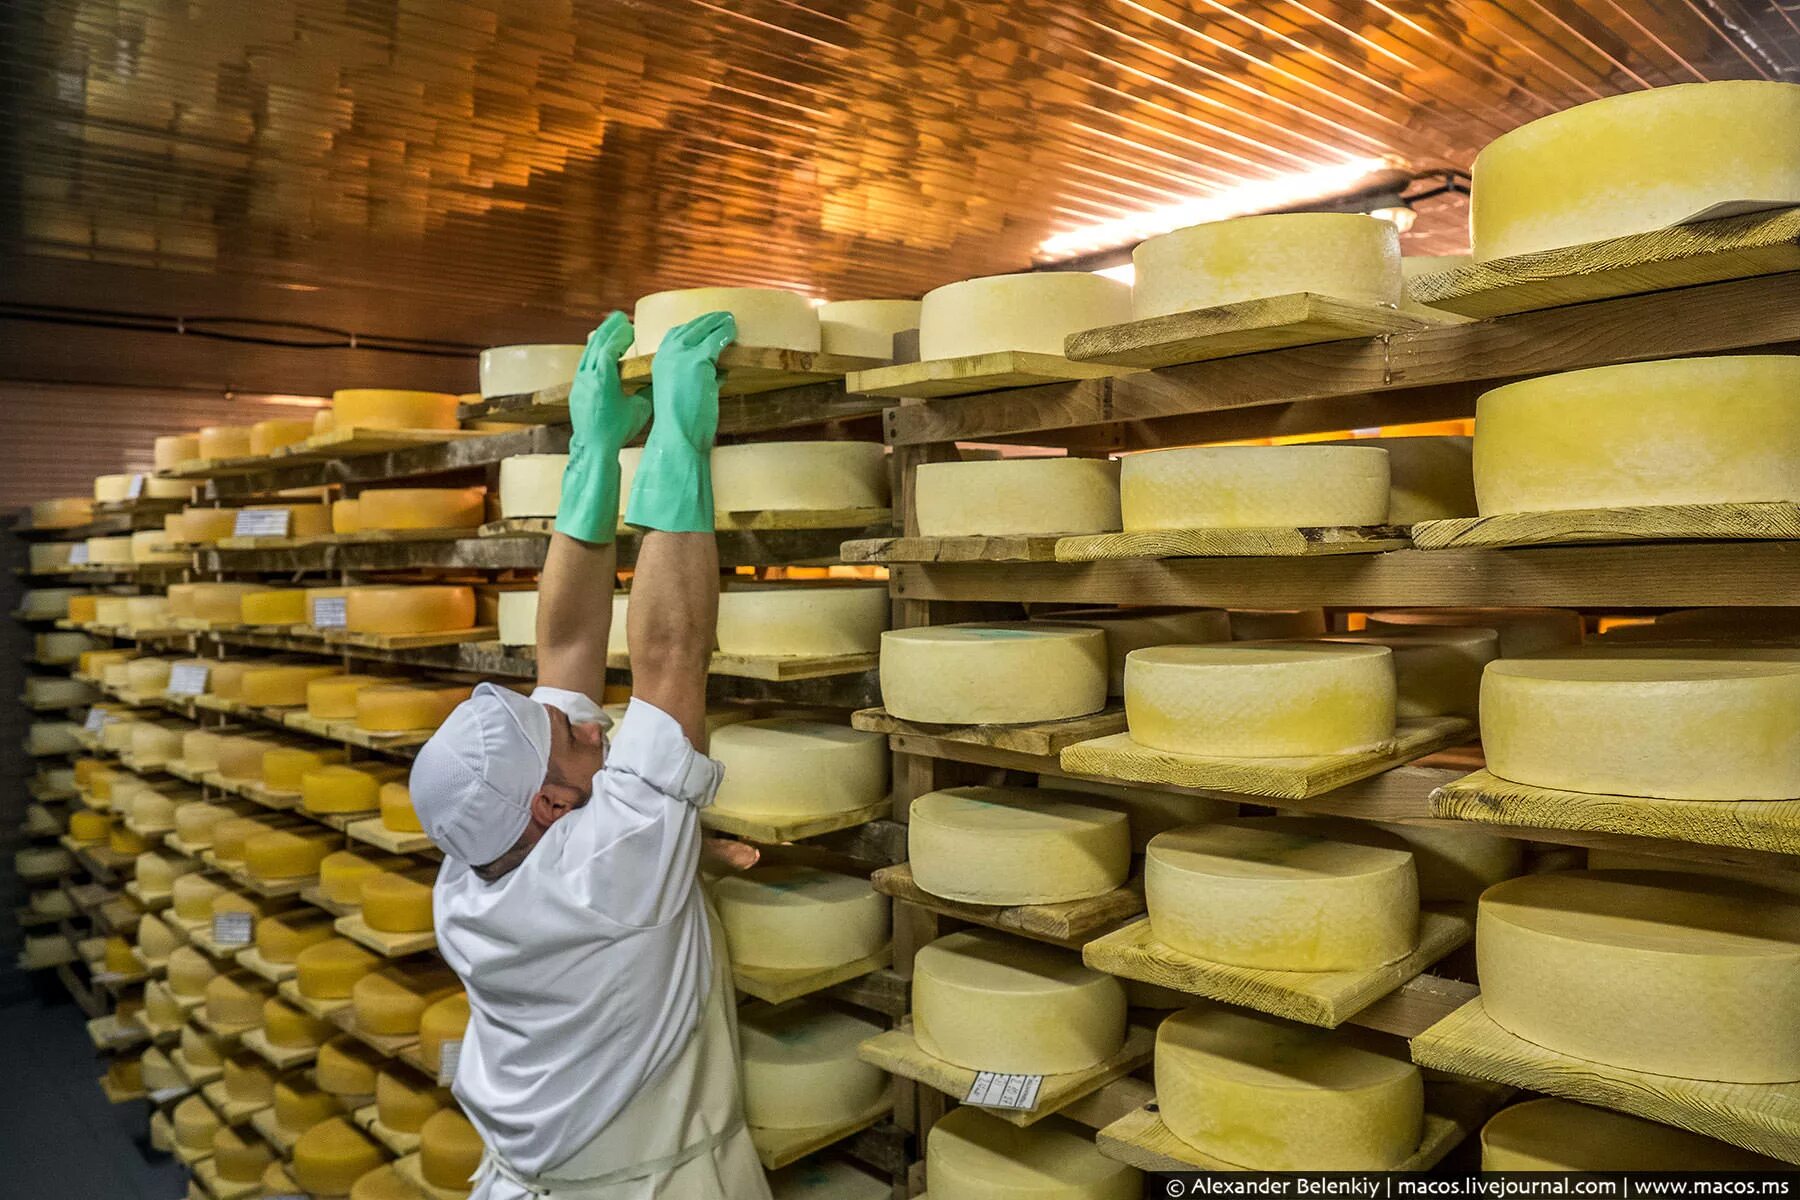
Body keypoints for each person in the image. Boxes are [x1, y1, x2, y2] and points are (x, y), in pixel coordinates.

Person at [410, 309, 773, 1200]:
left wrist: (593, 463)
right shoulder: (609, 867)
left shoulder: (470, 877)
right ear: (548, 806)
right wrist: (677, 455)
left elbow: (566, 652)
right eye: (569, 737)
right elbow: (671, 655)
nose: (586, 723)